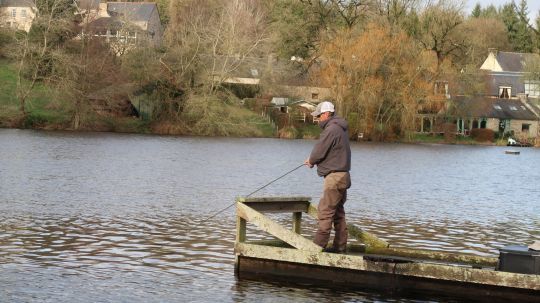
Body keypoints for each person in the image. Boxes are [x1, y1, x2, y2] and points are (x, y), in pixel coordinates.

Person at [304, 101, 351, 253]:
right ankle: (340, 247)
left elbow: (319, 150)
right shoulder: (340, 128)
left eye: (318, 116)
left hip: (334, 178)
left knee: (324, 212)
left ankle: (316, 250)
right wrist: (313, 160)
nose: (317, 120)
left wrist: (311, 161)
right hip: (343, 176)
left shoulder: (331, 129)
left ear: (325, 114)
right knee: (338, 213)